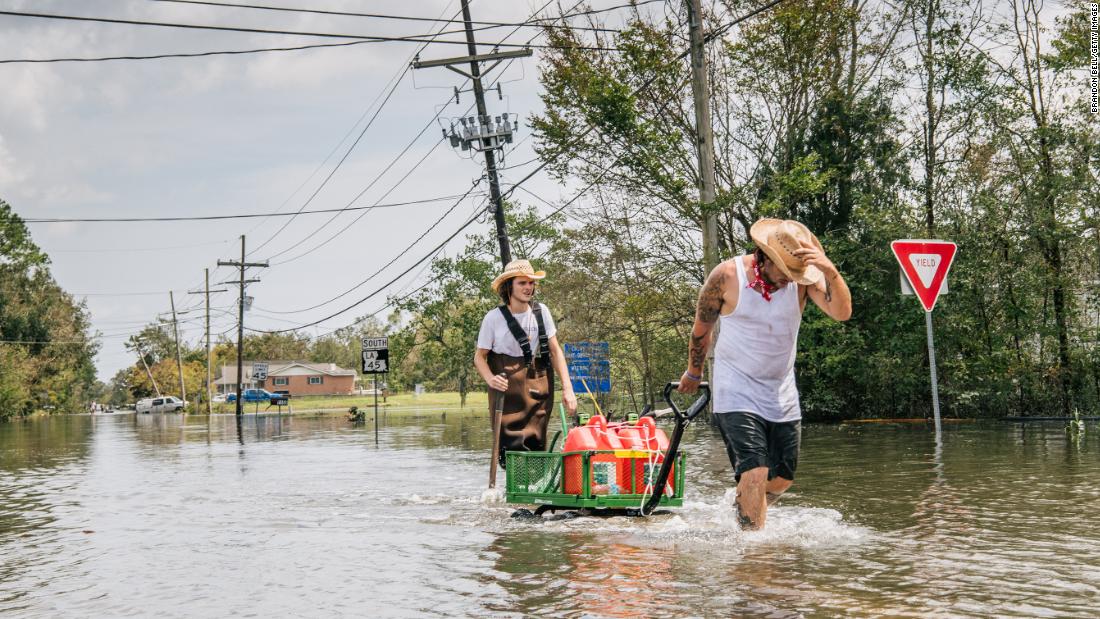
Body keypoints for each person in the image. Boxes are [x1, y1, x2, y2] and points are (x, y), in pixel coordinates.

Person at [678, 219, 852, 529]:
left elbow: (841, 312)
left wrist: (829, 270)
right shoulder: (727, 276)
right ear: (765, 256)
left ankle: (743, 507)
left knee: (782, 478)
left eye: (795, 274)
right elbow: (701, 329)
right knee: (755, 470)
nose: (789, 280)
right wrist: (694, 371)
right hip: (736, 390)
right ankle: (755, 553)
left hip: (780, 392)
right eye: (784, 272)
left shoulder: (803, 280)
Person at [474, 259, 578, 467]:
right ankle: (514, 493)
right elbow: (479, 357)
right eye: (522, 283)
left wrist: (568, 389)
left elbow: (556, 351)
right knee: (510, 451)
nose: (528, 288)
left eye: (531, 283)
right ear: (509, 286)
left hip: (537, 386)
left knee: (537, 445)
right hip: (506, 391)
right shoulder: (493, 318)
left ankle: (531, 497)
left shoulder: (542, 312)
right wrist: (490, 379)